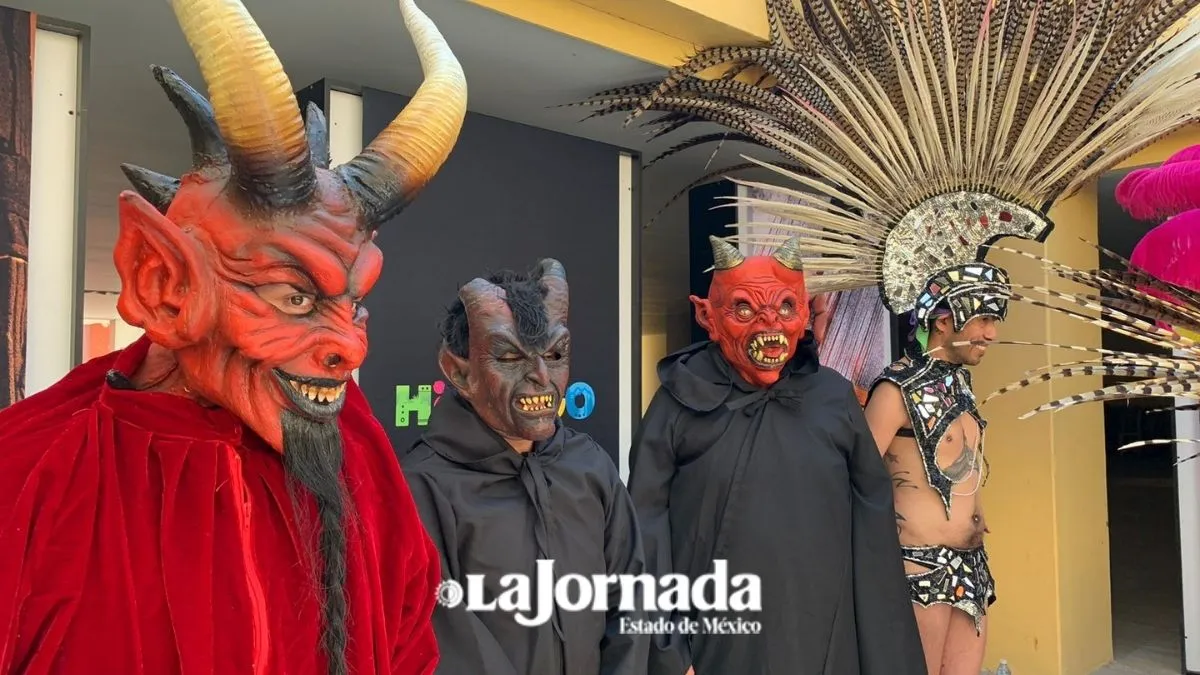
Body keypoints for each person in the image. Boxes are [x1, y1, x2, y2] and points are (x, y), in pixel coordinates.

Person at [0, 0, 468, 673]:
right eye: (293, 295)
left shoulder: (359, 453)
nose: (351, 348)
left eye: (354, 302)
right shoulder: (30, 477)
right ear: (163, 279)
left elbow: (409, 637)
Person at [628, 235, 927, 675]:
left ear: (806, 312)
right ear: (707, 316)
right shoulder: (677, 403)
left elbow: (872, 534)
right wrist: (668, 652)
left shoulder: (833, 397)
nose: (770, 325)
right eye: (745, 309)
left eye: (786, 307)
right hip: (713, 646)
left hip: (824, 640)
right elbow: (642, 532)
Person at [402, 259, 649, 675]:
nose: (540, 376)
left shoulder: (589, 465)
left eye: (554, 354)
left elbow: (630, 595)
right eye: (511, 357)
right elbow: (444, 633)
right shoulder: (422, 486)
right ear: (459, 372)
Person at [863, 264, 1009, 674]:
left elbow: (959, 465)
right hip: (918, 568)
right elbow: (855, 477)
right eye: (984, 319)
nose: (991, 334)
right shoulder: (895, 389)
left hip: (972, 564)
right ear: (945, 320)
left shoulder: (961, 382)